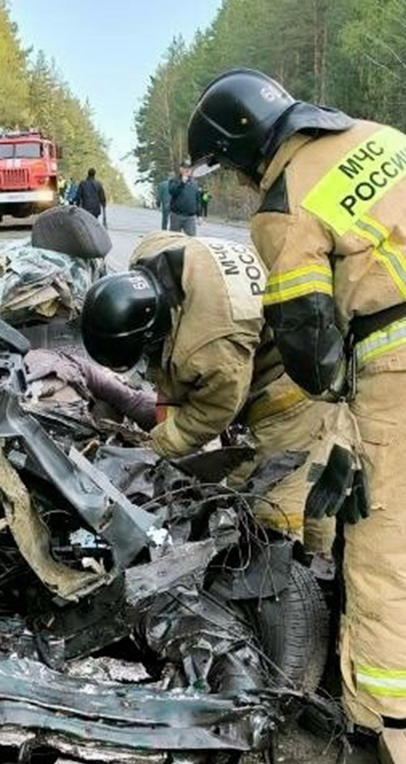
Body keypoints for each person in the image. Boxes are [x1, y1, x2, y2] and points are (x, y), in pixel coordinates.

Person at [186, 67, 406, 738]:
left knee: (388, 545)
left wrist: (334, 398)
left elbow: (305, 333)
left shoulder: (284, 202)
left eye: (231, 167)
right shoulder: (383, 138)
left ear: (247, 145)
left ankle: (388, 718)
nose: (236, 182)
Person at [78, 231, 339, 554]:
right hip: (282, 341)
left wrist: (159, 446)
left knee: (266, 500)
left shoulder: (209, 346)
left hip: (293, 392)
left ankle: (303, 573)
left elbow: (213, 413)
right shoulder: (151, 253)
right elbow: (169, 376)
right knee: (304, 484)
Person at [165, 164, 202, 235]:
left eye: (189, 168)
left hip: (190, 217)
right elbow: (172, 191)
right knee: (174, 239)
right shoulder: (174, 180)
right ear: (181, 169)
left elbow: (197, 200)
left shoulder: (194, 183)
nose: (187, 170)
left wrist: (199, 215)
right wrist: (182, 183)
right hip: (177, 215)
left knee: (191, 240)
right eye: (185, 168)